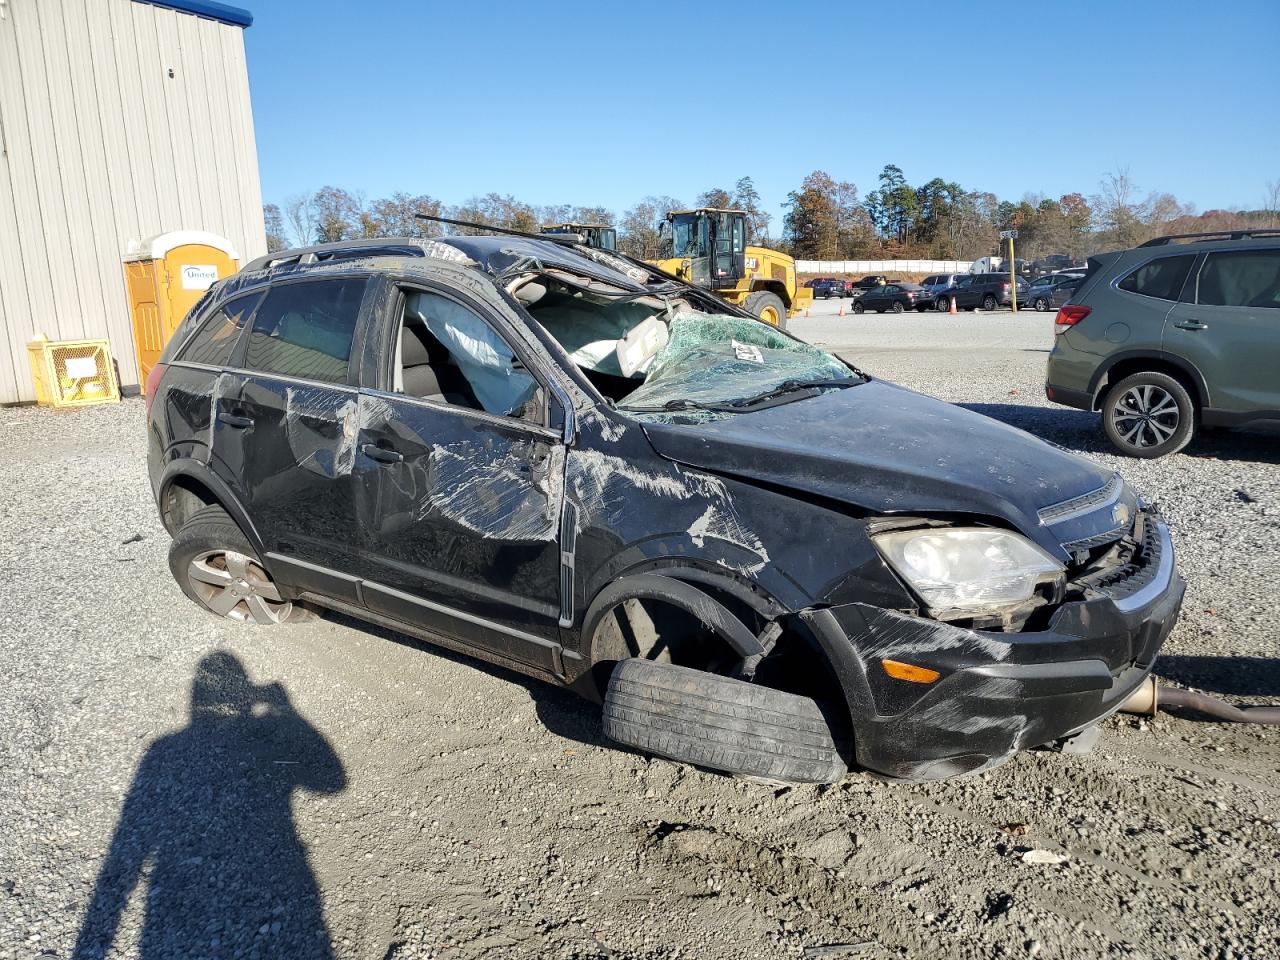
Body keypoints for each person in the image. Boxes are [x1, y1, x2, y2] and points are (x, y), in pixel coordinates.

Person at [73, 652, 346, 959]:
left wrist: (97, 932)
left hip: (173, 900)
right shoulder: (163, 749)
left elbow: (126, 842)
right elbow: (333, 783)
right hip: (274, 876)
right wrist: (287, 710)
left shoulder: (162, 748)